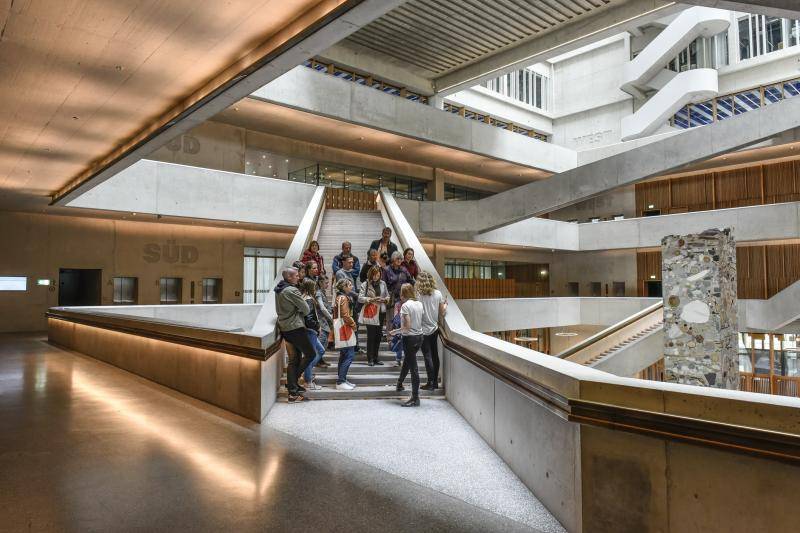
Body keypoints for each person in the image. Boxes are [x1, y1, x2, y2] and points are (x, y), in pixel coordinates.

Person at [274, 267, 316, 403]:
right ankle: (292, 386)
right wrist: (298, 309)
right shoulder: (292, 290)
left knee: (294, 359)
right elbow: (306, 308)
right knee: (311, 354)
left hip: (285, 328)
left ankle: (293, 388)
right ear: (290, 277)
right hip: (295, 328)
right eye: (297, 276)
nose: (299, 277)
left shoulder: (279, 289)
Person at [393, 283, 424, 407]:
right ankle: (399, 383)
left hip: (409, 338)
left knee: (414, 368)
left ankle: (415, 398)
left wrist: (395, 331)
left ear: (403, 294)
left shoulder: (405, 306)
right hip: (420, 337)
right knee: (408, 361)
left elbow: (407, 326)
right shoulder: (419, 304)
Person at [416, 271, 446, 390]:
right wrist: (446, 305)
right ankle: (434, 383)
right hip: (434, 329)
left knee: (427, 356)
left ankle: (430, 382)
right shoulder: (438, 294)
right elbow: (442, 312)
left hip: (423, 330)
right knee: (435, 355)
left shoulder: (418, 295)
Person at [358, 266, 389, 366]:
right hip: (371, 312)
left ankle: (376, 357)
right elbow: (360, 298)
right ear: (371, 274)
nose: (376, 277)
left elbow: (387, 295)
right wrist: (372, 299)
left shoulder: (383, 283)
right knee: (371, 336)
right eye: (374, 275)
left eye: (378, 275)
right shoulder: (365, 284)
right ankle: (370, 358)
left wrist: (384, 299)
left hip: (380, 312)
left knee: (378, 336)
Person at [299, 279, 325, 390]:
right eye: (314, 287)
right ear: (310, 288)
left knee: (320, 351)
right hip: (311, 331)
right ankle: (308, 381)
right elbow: (309, 318)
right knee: (311, 356)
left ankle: (306, 372)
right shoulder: (309, 299)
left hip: (308, 330)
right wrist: (317, 326)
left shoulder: (303, 297)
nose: (315, 289)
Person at [333, 278, 357, 390]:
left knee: (344, 355)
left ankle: (342, 379)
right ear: (344, 287)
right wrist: (353, 324)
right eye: (350, 285)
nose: (351, 287)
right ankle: (340, 381)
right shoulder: (343, 298)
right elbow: (345, 315)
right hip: (345, 328)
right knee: (349, 355)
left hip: (342, 328)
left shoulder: (339, 296)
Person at [315, 275, 333, 365]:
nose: (328, 284)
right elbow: (322, 308)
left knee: (324, 343)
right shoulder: (318, 293)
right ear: (320, 282)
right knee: (322, 342)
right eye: (326, 283)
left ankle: (320, 360)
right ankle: (316, 361)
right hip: (321, 322)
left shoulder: (322, 292)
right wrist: (331, 317)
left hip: (325, 322)